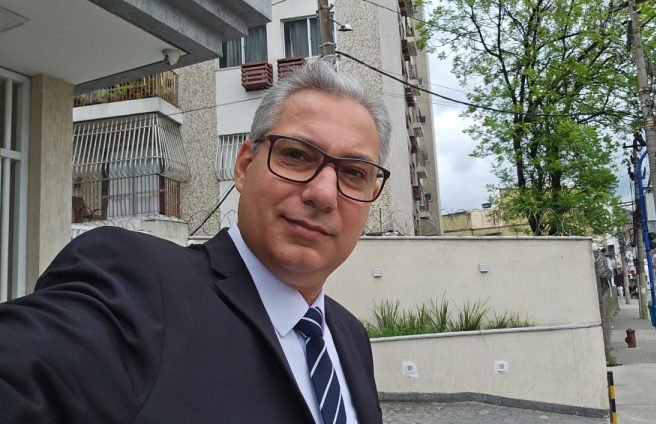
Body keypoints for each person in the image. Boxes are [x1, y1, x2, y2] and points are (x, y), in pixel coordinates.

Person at [0, 59, 390, 423]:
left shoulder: (350, 336)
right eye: (297, 155)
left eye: (354, 173)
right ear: (244, 166)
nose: (323, 194)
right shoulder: (137, 287)